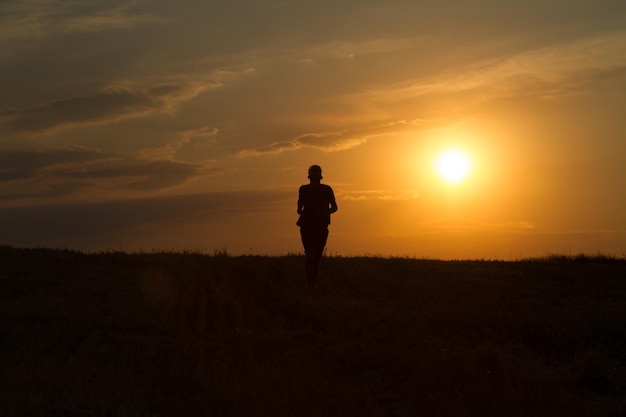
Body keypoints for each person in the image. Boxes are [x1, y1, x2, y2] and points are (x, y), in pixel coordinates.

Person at [297, 165, 338, 290]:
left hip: (320, 225)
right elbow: (299, 208)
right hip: (308, 225)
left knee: (315, 256)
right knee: (310, 254)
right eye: (313, 174)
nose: (315, 177)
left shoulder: (326, 190)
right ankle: (310, 286)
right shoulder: (303, 189)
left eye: (316, 174)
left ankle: (311, 285)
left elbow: (334, 207)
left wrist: (324, 213)